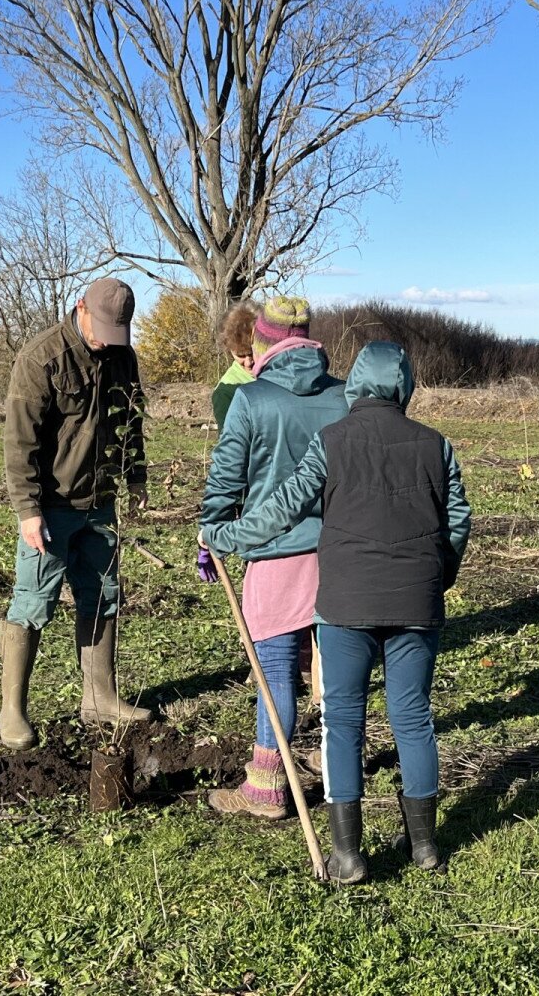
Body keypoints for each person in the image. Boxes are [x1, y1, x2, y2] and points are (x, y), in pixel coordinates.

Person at [202, 342, 472, 883]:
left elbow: (283, 506)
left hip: (346, 602)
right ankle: (425, 847)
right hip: (416, 602)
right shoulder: (436, 445)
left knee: (343, 720)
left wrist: (224, 533)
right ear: (406, 387)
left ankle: (348, 855)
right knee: (412, 717)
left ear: (355, 386)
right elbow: (458, 520)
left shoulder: (331, 443)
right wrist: (437, 575)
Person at [198, 297, 347, 820]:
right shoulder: (344, 396)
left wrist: (211, 532)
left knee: (276, 669)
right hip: (340, 551)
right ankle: (337, 769)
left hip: (277, 552)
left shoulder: (251, 399)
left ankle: (265, 789)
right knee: (336, 667)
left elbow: (225, 481)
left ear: (262, 342)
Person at [0, 277, 152, 751]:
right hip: (51, 507)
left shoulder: (123, 356)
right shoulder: (41, 357)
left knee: (103, 595)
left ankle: (99, 697)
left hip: (100, 503)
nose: (106, 339)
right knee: (33, 603)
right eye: (101, 327)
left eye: (116, 331)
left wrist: (136, 474)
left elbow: (130, 418)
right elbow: (19, 441)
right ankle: (12, 711)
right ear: (79, 307)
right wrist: (28, 510)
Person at [210, 303, 258, 430]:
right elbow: (229, 445)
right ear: (229, 349)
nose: (248, 362)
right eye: (240, 356)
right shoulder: (225, 392)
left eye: (252, 354)